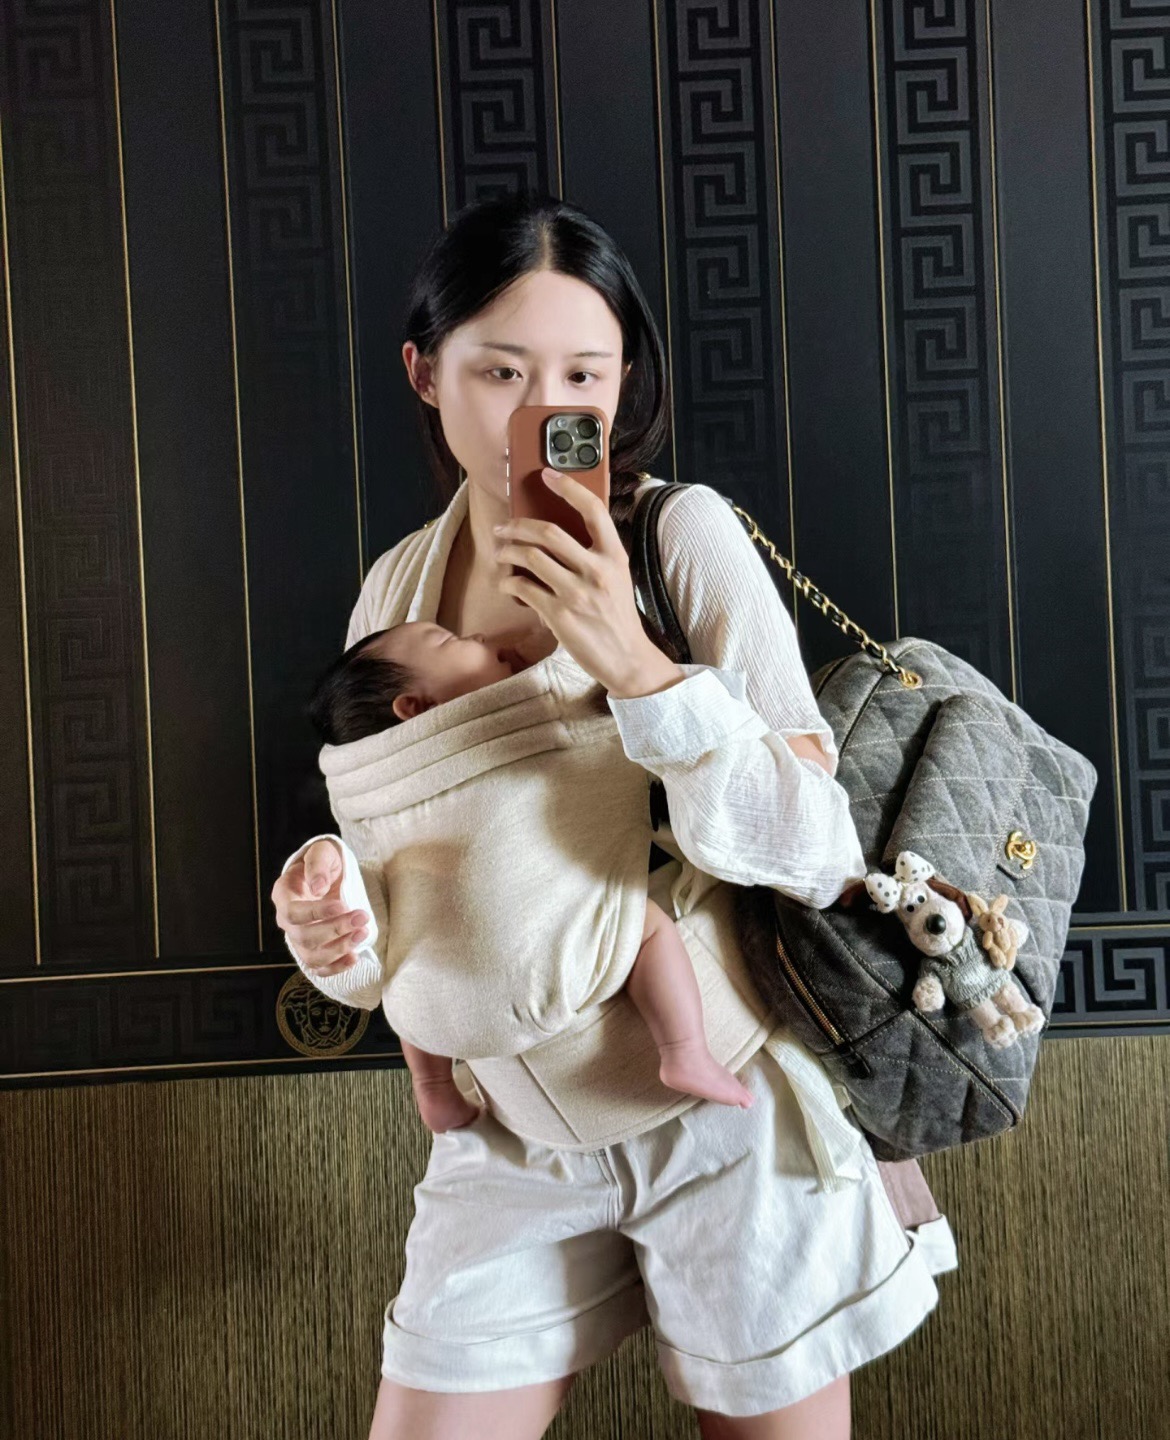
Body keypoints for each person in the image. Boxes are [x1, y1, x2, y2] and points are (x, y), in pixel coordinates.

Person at [271, 190, 956, 1440]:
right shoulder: (396, 592)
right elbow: (401, 873)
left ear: (623, 378)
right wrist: (335, 928)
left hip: (726, 1110)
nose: (544, 408)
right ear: (425, 374)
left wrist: (634, 665)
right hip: (508, 1134)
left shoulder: (678, 536)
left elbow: (816, 850)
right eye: (501, 372)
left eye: (583, 373)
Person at [303, 618, 755, 1132]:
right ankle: (684, 1050)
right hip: (544, 976)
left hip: (422, 1016)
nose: (479, 637)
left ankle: (433, 1087)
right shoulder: (523, 719)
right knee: (645, 928)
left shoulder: (365, 782)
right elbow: (585, 722)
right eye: (449, 641)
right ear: (418, 708)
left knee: (410, 954)